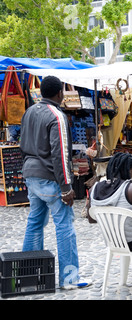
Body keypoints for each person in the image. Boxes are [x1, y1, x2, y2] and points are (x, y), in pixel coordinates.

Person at [20, 76, 90, 290]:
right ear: (60, 93)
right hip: (50, 178)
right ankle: (69, 279)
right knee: (64, 226)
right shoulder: (56, 116)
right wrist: (66, 187)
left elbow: (22, 144)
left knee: (35, 223)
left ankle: (28, 275)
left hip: (31, 175)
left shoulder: (29, 112)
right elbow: (60, 153)